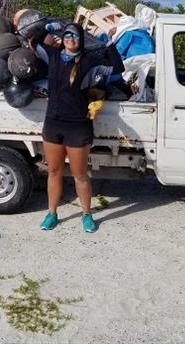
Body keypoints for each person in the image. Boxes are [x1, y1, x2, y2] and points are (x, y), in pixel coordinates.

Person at [31, 22, 125, 233]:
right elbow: (34, 42)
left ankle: (87, 215)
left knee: (80, 174)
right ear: (62, 37)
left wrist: (110, 43)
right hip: (53, 124)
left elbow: (117, 67)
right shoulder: (53, 56)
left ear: (80, 39)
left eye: (75, 36)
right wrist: (47, 27)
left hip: (78, 126)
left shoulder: (89, 62)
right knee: (53, 171)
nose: (71, 39)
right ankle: (52, 214)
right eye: (67, 35)